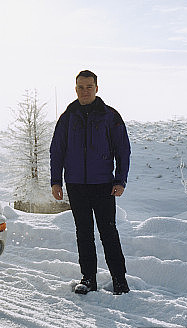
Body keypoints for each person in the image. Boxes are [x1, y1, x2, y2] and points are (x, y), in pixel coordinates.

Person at [50, 70, 131, 295]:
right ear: (75, 89)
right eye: (80, 87)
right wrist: (56, 181)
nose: (85, 91)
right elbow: (57, 150)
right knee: (83, 232)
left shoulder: (110, 116)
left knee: (108, 232)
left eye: (89, 86)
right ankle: (88, 278)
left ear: (97, 88)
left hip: (103, 184)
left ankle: (119, 280)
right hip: (76, 185)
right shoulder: (68, 117)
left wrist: (120, 180)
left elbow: (123, 151)